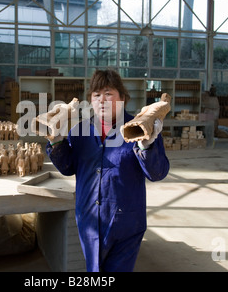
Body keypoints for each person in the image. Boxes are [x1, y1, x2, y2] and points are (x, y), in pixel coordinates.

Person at [45, 69, 170, 272]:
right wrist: (57, 142)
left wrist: (146, 146)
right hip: (89, 218)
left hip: (127, 222)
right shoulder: (79, 131)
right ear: (90, 100)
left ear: (122, 98)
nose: (102, 100)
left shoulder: (139, 129)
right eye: (96, 95)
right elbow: (68, 168)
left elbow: (157, 173)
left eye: (108, 93)